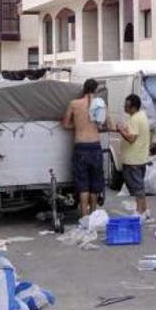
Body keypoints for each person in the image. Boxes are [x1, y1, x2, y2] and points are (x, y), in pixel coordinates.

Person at [63, 79, 104, 217]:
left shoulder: (74, 104)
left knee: (83, 183)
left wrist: (79, 126)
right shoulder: (100, 104)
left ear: (84, 89)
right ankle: (93, 214)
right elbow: (104, 124)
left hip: (81, 147)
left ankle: (84, 216)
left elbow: (65, 124)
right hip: (95, 146)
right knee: (95, 183)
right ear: (95, 90)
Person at [118, 94, 152, 221]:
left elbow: (132, 138)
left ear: (132, 107)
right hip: (141, 157)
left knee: (137, 186)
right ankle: (145, 209)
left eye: (126, 106)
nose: (124, 108)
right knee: (140, 185)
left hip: (133, 159)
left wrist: (121, 130)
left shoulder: (134, 119)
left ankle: (139, 211)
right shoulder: (141, 115)